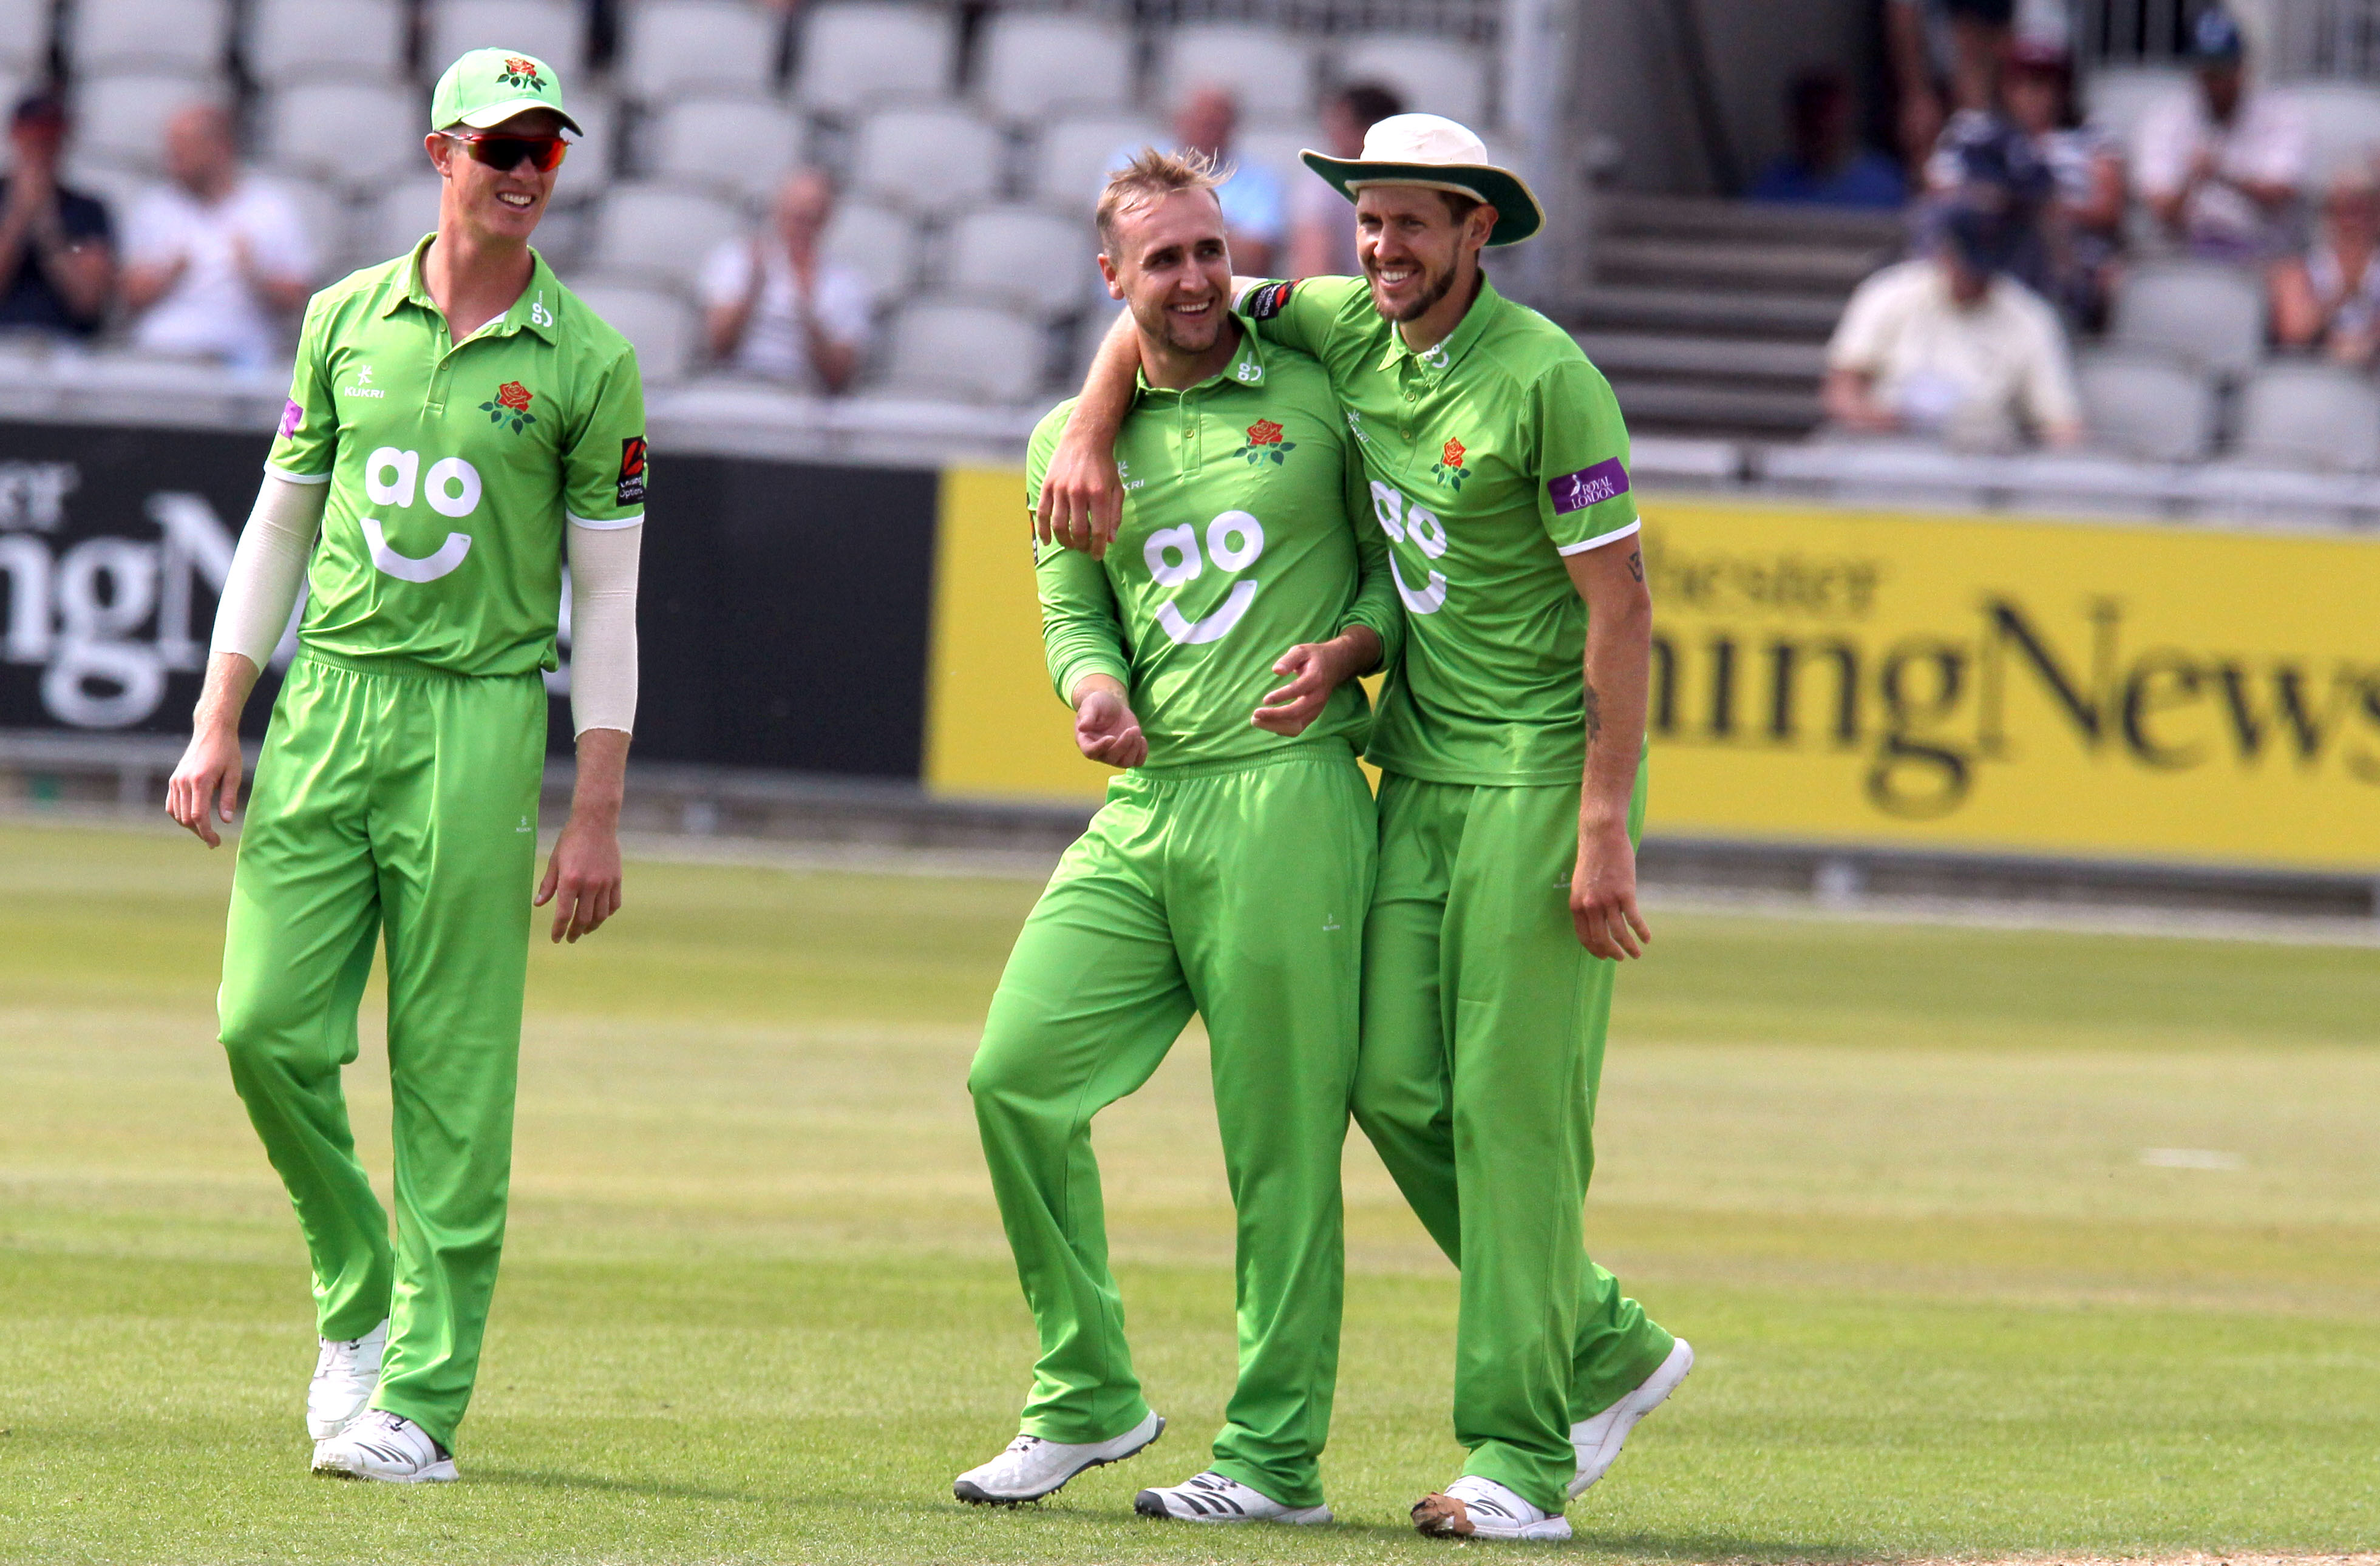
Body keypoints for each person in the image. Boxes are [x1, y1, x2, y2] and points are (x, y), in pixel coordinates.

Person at [1039, 113, 1693, 1543]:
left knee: (1513, 1113)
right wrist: (1087, 424)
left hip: (1542, 774)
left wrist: (1604, 821)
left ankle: (1520, 1456)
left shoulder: (1548, 380)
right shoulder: (1341, 322)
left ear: (1478, 231)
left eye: (1414, 222)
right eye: (1371, 220)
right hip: (1421, 766)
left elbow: (1625, 606)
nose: (1385, 246)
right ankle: (1604, 1340)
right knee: (1391, 1084)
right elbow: (1162, 301)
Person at [164, 47, 646, 1484]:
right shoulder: (341, 320)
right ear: (442, 155)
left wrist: (597, 807)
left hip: (478, 718)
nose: (523, 172)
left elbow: (609, 599)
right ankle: (359, 1283)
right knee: (261, 1028)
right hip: (331, 703)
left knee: (452, 1075)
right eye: (499, 146)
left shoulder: (590, 361)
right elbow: (280, 524)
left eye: (544, 151)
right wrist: (218, 713)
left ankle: (421, 1404)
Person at [953, 147, 1400, 1527]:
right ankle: (1088, 1389)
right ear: (1113, 279)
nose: (1198, 278)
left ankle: (1274, 1460)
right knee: (1015, 1077)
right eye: (1166, 259)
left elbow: (1396, 573)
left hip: (1288, 795)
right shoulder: (1067, 441)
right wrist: (1091, 690)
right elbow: (1074, 610)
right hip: (1147, 810)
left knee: (1277, 1145)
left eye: (1213, 250)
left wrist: (1349, 651)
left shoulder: (1314, 388)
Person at [1823, 188, 2082, 449]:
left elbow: (2061, 421)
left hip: (1985, 457)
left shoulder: (2029, 316)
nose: (1974, 278)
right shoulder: (1889, 293)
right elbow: (1842, 390)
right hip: (1887, 448)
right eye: (1967, 265)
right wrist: (1873, 420)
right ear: (1945, 252)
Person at [1929, 38, 2123, 328]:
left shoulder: (2091, 134)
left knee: (2035, 230)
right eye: (2019, 82)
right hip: (1982, 243)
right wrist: (1995, 197)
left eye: (2042, 83)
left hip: (2062, 252)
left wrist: (2045, 204)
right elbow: (1938, 193)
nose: (2031, 93)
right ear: (2004, 86)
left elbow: (2108, 211)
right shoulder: (1973, 128)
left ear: (2063, 88)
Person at [121, 102, 318, 370]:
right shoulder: (155, 207)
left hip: (243, 351)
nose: (173, 160)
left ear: (220, 147)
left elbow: (299, 298)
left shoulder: (270, 206)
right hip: (164, 348)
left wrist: (255, 275)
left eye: (184, 148)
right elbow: (129, 297)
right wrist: (169, 274)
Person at [2134, 7, 2307, 263]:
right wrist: (2193, 179)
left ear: (2241, 70)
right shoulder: (2166, 117)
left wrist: (2222, 172)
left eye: (2221, 72)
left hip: (2261, 254)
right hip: (2184, 252)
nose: (2214, 84)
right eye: (2207, 73)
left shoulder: (2280, 113)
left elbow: (2281, 193)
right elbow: (2161, 209)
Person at [699, 166, 871, 393]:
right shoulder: (737, 258)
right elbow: (718, 346)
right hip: (736, 383)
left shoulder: (846, 283)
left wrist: (807, 310)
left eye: (811, 216)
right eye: (795, 213)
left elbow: (839, 375)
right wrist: (753, 287)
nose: (801, 223)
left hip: (805, 394)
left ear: (826, 218)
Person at [0, 91, 114, 341]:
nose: (41, 154)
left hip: (66, 345)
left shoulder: (88, 210)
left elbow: (88, 300)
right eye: (33, 143)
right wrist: (18, 217)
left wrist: (47, 227)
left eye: (49, 144)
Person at [1163, 85, 1285, 277]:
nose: (1209, 132)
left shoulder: (1261, 182)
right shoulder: (1137, 163)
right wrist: (1219, 233)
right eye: (1202, 122)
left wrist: (1170, 229)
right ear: (1180, 121)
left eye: (1217, 124)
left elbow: (1255, 259)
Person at [1749, 65, 1906, 209]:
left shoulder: (1885, 185)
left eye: (1825, 112)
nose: (1819, 124)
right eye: (1809, 114)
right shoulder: (1773, 186)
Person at [2270, 164, 2380, 367]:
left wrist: (2367, 341)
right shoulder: (2298, 270)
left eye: (2362, 211)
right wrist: (2343, 293)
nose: (2352, 222)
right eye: (2343, 211)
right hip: (2316, 367)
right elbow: (2294, 334)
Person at [1288, 83, 1403, 274]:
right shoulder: (1321, 189)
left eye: (1340, 124)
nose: (1331, 133)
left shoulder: (1320, 188)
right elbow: (1313, 270)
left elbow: (1313, 272)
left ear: (1367, 131)